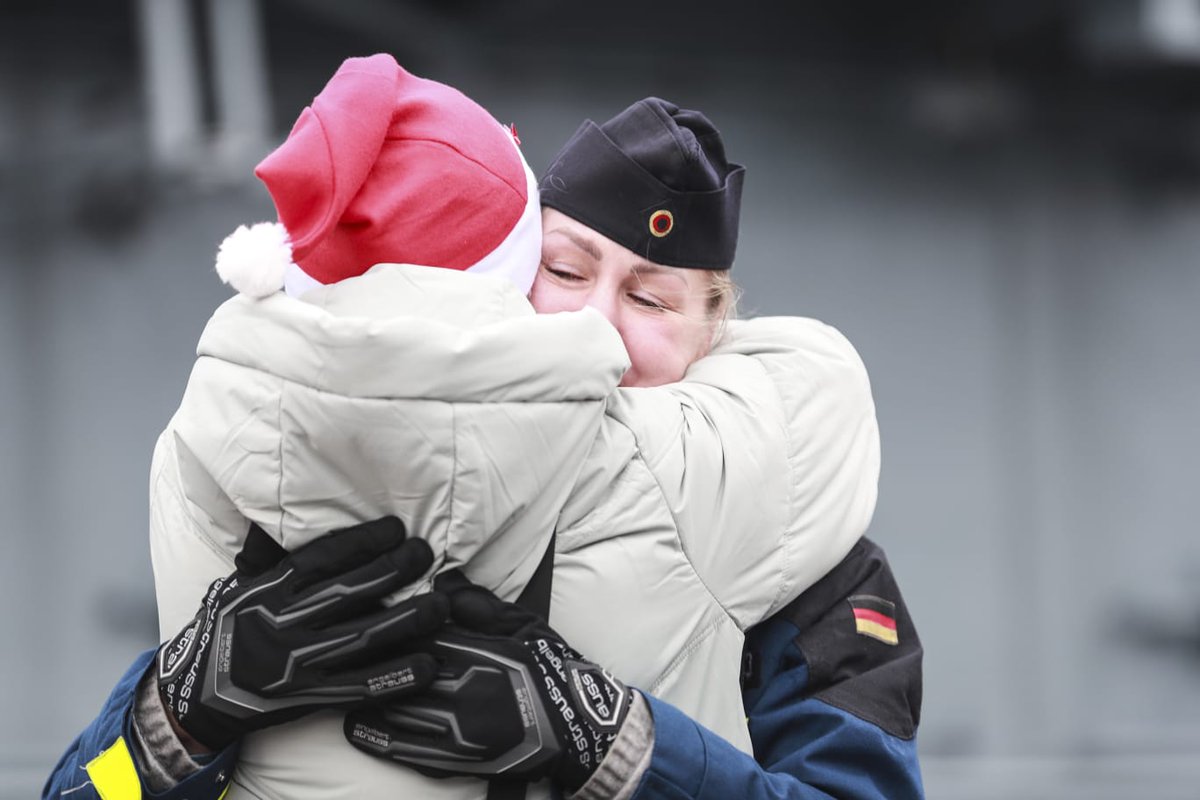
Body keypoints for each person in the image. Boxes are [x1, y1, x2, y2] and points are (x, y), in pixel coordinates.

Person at [44, 55, 883, 799]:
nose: (594, 326)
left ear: (716, 334)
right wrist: (177, 716)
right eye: (563, 270)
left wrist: (615, 744)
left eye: (650, 299)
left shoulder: (795, 553)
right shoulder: (280, 497)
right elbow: (89, 796)